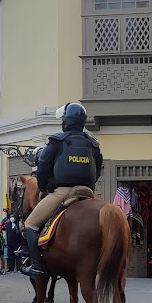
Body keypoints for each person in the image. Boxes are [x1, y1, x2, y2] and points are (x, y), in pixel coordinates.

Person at [21, 103, 102, 278]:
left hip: (63, 192)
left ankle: (37, 266)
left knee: (31, 224)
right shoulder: (93, 143)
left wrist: (44, 187)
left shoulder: (57, 141)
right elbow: (98, 168)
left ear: (65, 120)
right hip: (87, 192)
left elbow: (42, 168)